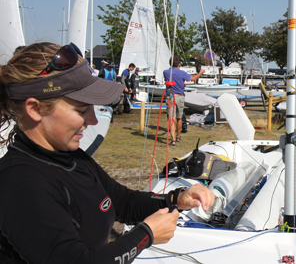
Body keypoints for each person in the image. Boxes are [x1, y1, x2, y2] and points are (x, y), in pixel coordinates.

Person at [0, 42, 215, 263]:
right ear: (34, 109)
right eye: (82, 110)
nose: (93, 120)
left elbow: (124, 202)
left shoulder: (71, 157)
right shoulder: (20, 182)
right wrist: (145, 235)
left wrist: (176, 198)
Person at [163, 55, 204, 145]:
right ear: (179, 64)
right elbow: (193, 78)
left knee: (171, 118)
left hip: (170, 95)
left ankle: (173, 139)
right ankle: (178, 136)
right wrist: (200, 73)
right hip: (180, 96)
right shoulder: (181, 73)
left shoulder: (166, 72)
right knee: (179, 117)